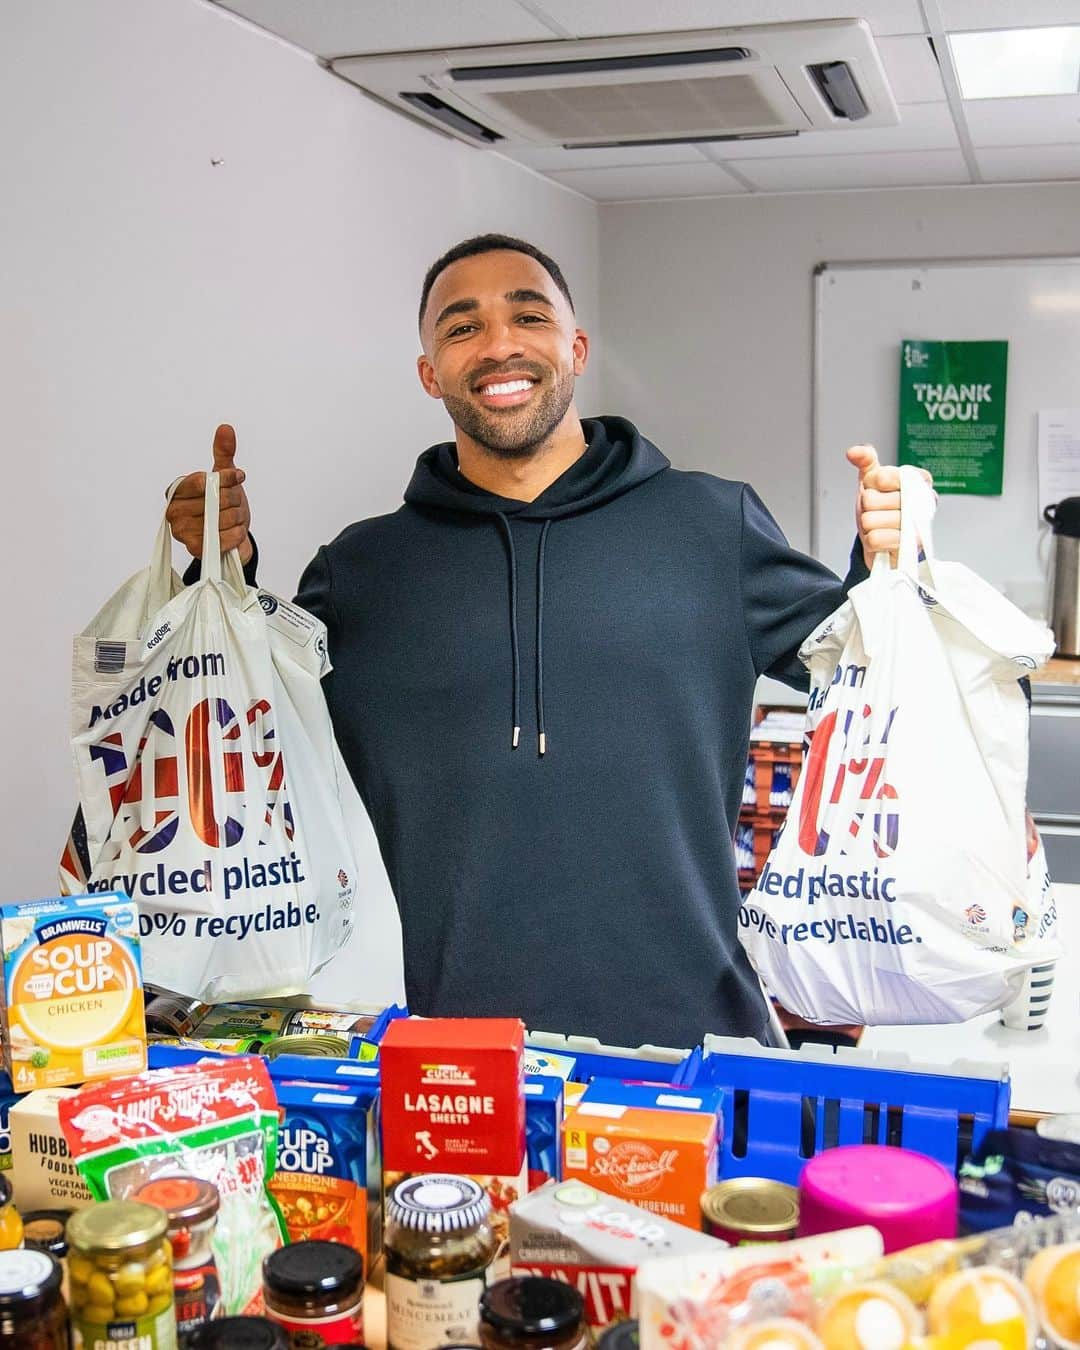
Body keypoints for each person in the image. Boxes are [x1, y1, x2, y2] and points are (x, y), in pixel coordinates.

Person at [168, 233, 912, 1048]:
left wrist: (889, 568)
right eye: (461, 328)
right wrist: (222, 571)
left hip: (693, 1040)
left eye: (528, 314)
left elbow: (880, 686)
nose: (499, 345)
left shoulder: (711, 526)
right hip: (450, 1056)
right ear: (429, 372)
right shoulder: (363, 571)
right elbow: (243, 724)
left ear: (576, 348)